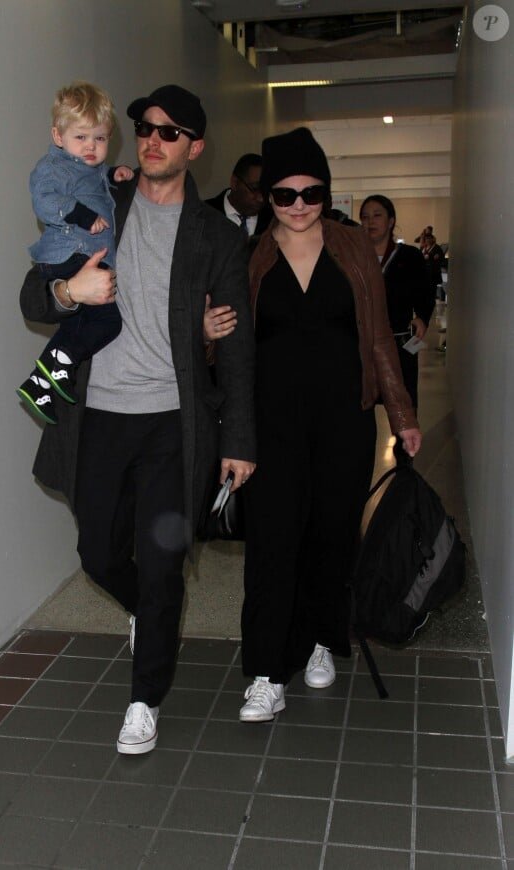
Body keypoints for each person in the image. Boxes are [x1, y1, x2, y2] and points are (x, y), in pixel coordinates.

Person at [19, 84, 256, 754]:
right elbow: (32, 293)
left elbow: (235, 344)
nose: (154, 140)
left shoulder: (215, 235)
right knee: (98, 553)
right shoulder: (99, 198)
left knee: (161, 564)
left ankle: (144, 700)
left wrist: (238, 439)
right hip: (97, 417)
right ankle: (147, 614)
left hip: (172, 425)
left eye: (171, 132)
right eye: (145, 127)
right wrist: (71, 290)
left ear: (196, 148)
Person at [234, 127, 421, 723]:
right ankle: (265, 671)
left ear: (326, 190)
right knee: (272, 542)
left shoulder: (352, 248)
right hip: (273, 425)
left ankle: (320, 638)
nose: (297, 205)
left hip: (345, 420)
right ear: (268, 198)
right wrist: (211, 341)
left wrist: (404, 417)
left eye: (310, 192)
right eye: (283, 194)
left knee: (332, 535)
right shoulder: (254, 257)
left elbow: (380, 340)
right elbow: (232, 347)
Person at [17, 82, 134, 424]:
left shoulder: (90, 167)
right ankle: (59, 364)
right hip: (71, 254)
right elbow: (46, 201)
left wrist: (115, 173)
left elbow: (94, 178)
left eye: (99, 139)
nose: (91, 147)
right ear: (58, 136)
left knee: (94, 320)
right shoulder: (52, 168)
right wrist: (81, 214)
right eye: (81, 138)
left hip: (85, 255)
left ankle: (42, 381)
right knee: (108, 320)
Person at [359, 195, 435, 426]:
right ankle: (361, 460)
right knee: (360, 405)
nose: (370, 222)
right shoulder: (355, 257)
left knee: (405, 403)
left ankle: (404, 460)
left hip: (400, 343)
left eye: (377, 215)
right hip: (362, 345)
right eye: (365, 217)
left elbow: (425, 291)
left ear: (391, 221)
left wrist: (422, 317)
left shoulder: (409, 256)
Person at [205, 153, 273, 244]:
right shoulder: (203, 214)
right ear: (234, 183)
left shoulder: (274, 220)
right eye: (254, 189)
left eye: (265, 191)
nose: (261, 198)